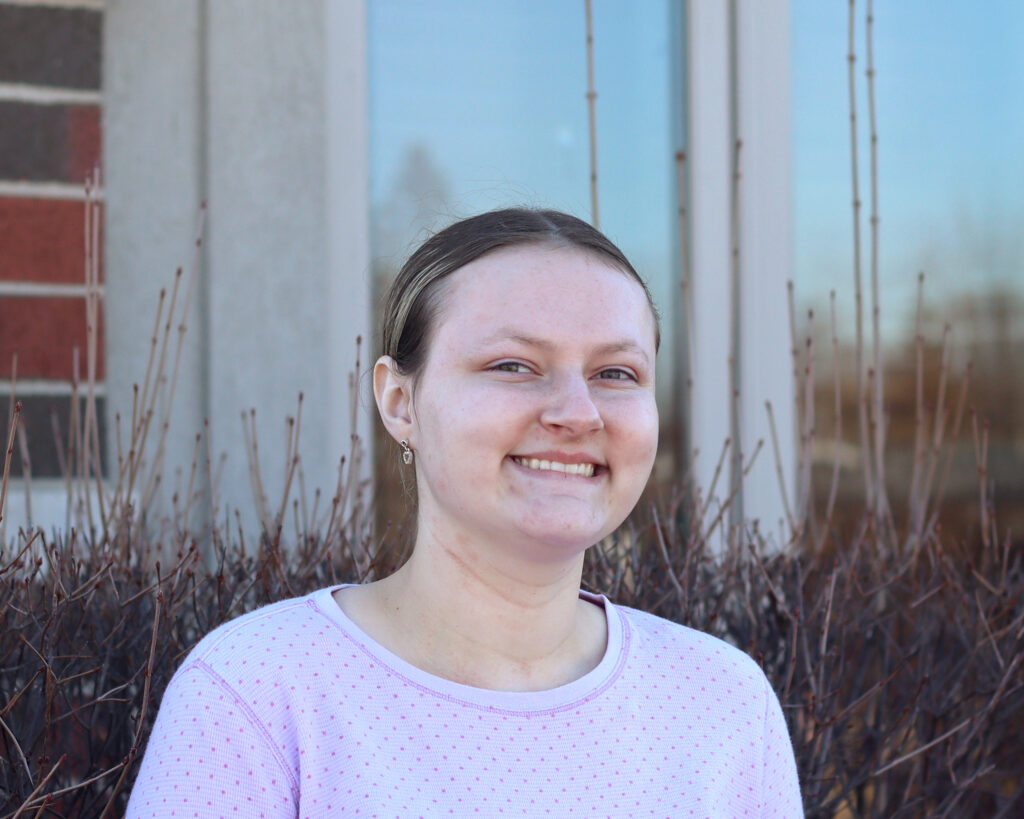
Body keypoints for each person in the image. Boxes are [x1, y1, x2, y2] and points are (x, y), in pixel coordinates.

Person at [127, 208, 802, 817]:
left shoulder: (724, 703)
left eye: (616, 373)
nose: (576, 411)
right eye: (513, 364)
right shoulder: (257, 694)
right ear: (399, 401)